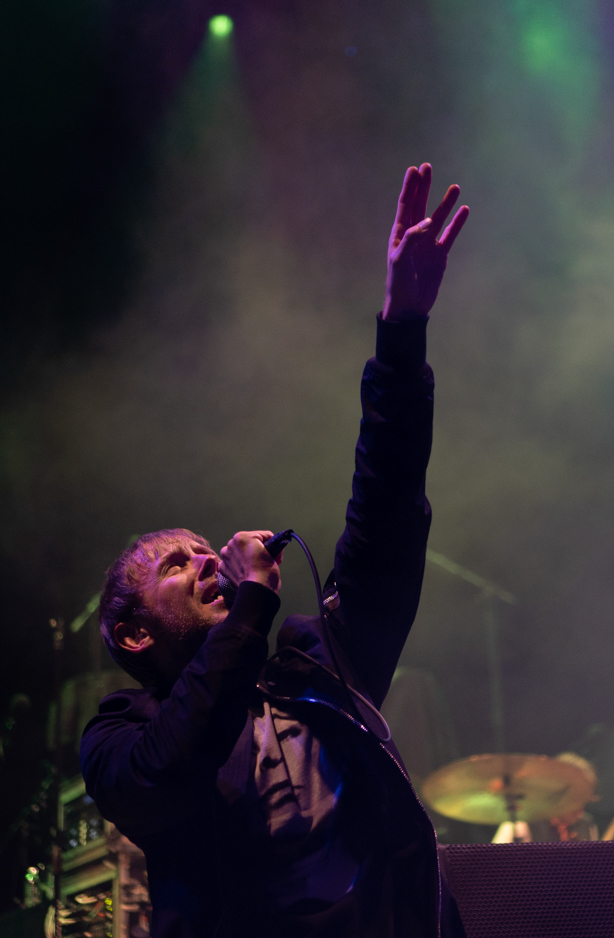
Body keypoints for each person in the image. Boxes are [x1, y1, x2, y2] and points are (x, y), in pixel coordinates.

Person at [81, 164, 469, 938]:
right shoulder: (120, 736)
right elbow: (171, 771)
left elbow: (384, 516)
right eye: (174, 563)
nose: (204, 560)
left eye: (203, 549)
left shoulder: (320, 667)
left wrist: (401, 333)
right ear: (133, 633)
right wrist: (250, 606)